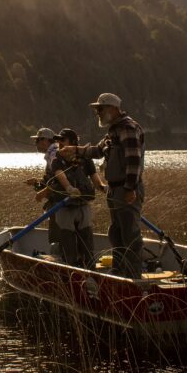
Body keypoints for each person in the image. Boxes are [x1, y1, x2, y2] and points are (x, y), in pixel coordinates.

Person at [59, 93, 146, 278]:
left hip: (126, 189)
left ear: (113, 109)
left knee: (130, 235)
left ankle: (134, 278)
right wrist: (75, 150)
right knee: (116, 233)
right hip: (115, 189)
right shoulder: (113, 131)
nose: (97, 113)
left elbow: (134, 161)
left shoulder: (128, 128)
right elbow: (97, 151)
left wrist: (130, 189)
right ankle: (120, 273)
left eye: (100, 109)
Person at [45, 128, 104, 268]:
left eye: (62, 140)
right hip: (64, 207)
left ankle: (89, 267)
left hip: (83, 206)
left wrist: (103, 187)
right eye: (57, 140)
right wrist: (69, 188)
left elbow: (95, 179)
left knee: (87, 238)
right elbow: (61, 175)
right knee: (67, 240)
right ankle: (70, 268)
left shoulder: (86, 159)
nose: (59, 143)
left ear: (72, 142)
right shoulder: (56, 160)